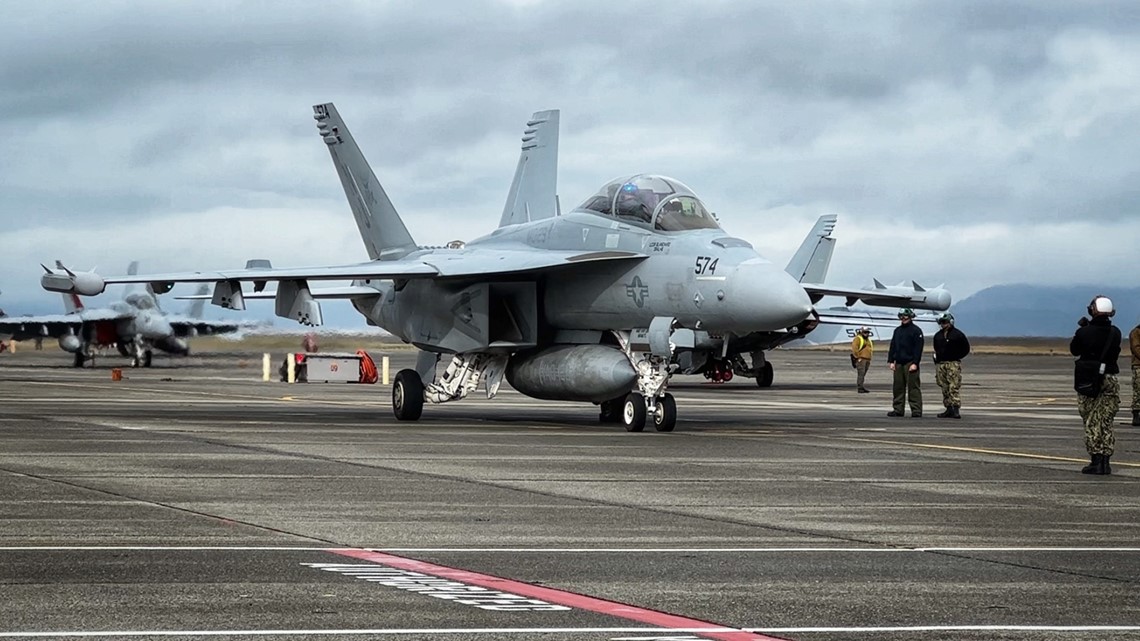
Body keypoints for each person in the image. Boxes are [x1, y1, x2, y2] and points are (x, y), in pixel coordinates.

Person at [1069, 295, 1121, 475]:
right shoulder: (1116, 332)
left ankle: (1095, 459)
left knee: (1091, 419)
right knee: (1106, 420)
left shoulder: (1084, 332)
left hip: (1089, 379)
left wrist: (1083, 329)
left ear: (1093, 310)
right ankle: (1106, 461)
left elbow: (1075, 349)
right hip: (1110, 378)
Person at [932, 312, 971, 418]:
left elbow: (966, 348)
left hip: (953, 363)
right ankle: (948, 408)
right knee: (944, 387)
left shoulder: (958, 335)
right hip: (941, 364)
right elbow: (936, 348)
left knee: (953, 386)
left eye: (945, 322)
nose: (943, 324)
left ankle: (956, 408)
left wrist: (956, 357)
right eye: (941, 323)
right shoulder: (938, 336)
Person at [887, 308, 924, 417]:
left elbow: (918, 349)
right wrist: (891, 361)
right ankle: (898, 409)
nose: (903, 318)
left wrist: (915, 363)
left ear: (911, 317)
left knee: (913, 387)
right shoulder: (897, 331)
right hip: (898, 363)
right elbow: (893, 346)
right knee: (898, 387)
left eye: (905, 316)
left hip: (910, 362)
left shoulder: (916, 331)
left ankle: (916, 410)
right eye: (901, 316)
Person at [850, 327, 873, 393]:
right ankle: (860, 387)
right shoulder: (858, 339)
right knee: (861, 374)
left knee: (863, 374)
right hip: (861, 359)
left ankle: (861, 386)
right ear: (861, 332)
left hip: (867, 359)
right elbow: (854, 348)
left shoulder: (868, 340)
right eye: (865, 332)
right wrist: (858, 357)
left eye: (868, 332)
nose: (867, 334)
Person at [1130, 319, 1140, 426]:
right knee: (1138, 391)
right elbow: (1136, 348)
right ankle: (1136, 414)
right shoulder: (1136, 332)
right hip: (1138, 366)